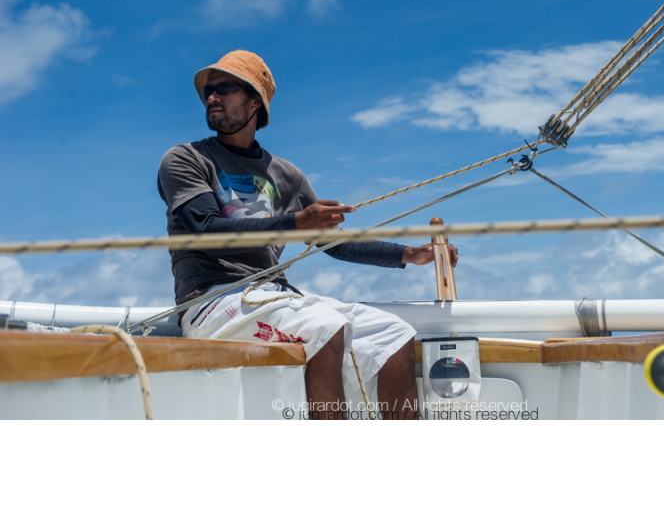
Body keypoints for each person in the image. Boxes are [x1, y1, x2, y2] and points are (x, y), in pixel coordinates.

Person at [157, 50, 457, 420]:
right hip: (212, 302)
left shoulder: (286, 174)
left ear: (255, 101)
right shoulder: (185, 159)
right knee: (324, 325)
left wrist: (407, 255)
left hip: (276, 299)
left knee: (393, 333)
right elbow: (205, 229)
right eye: (208, 91)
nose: (212, 97)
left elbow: (333, 243)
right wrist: (294, 223)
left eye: (224, 88)